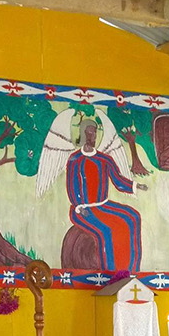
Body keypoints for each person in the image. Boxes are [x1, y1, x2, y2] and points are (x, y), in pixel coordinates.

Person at [66, 117, 146, 274]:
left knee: (133, 216)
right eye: (90, 133)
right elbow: (72, 187)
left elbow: (118, 181)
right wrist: (79, 206)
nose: (93, 137)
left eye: (95, 133)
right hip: (82, 208)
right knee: (106, 230)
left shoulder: (104, 159)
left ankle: (132, 270)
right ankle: (110, 273)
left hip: (104, 205)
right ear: (83, 134)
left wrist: (135, 186)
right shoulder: (75, 160)